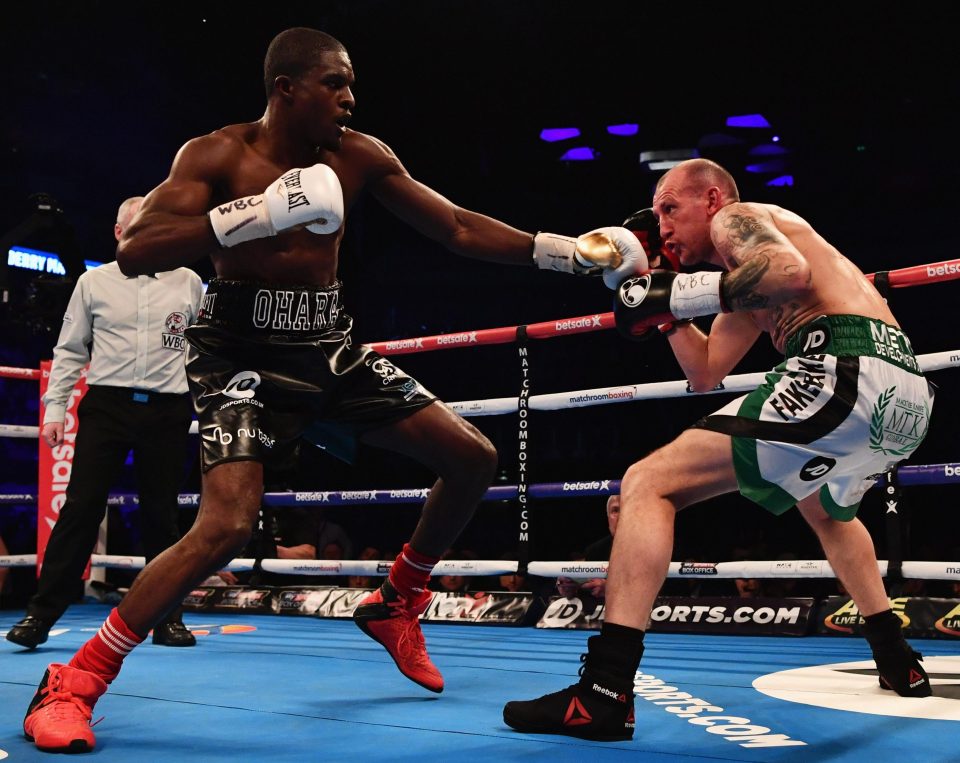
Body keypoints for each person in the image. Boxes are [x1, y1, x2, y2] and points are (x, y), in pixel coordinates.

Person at [21, 27, 648, 753]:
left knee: (472, 456)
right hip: (238, 354)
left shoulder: (358, 155)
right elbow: (136, 250)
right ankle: (75, 680)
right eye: (335, 83)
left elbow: (454, 226)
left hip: (327, 345)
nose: (350, 98)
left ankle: (397, 599)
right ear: (286, 88)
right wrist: (253, 212)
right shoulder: (216, 154)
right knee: (225, 525)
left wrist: (567, 253)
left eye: (350, 84)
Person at [504, 158, 936, 741]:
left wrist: (678, 292)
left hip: (844, 369)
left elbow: (787, 271)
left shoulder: (740, 217)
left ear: (710, 200)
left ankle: (603, 692)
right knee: (826, 509)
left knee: (647, 483)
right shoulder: (744, 283)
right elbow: (706, 373)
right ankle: (897, 657)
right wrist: (663, 310)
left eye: (669, 209)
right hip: (901, 396)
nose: (661, 226)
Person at [7, 197, 203, 656]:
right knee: (80, 508)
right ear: (118, 233)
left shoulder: (189, 282)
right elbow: (70, 350)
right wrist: (54, 411)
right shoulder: (93, 282)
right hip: (107, 406)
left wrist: (212, 403)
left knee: (162, 515)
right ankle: (41, 614)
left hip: (168, 409)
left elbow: (205, 351)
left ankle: (167, 617)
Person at [555, 494, 620, 600]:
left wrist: (610, 589)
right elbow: (586, 588)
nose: (621, 516)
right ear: (608, 518)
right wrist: (569, 586)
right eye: (615, 510)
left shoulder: (652, 547)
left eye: (626, 510)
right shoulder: (595, 550)